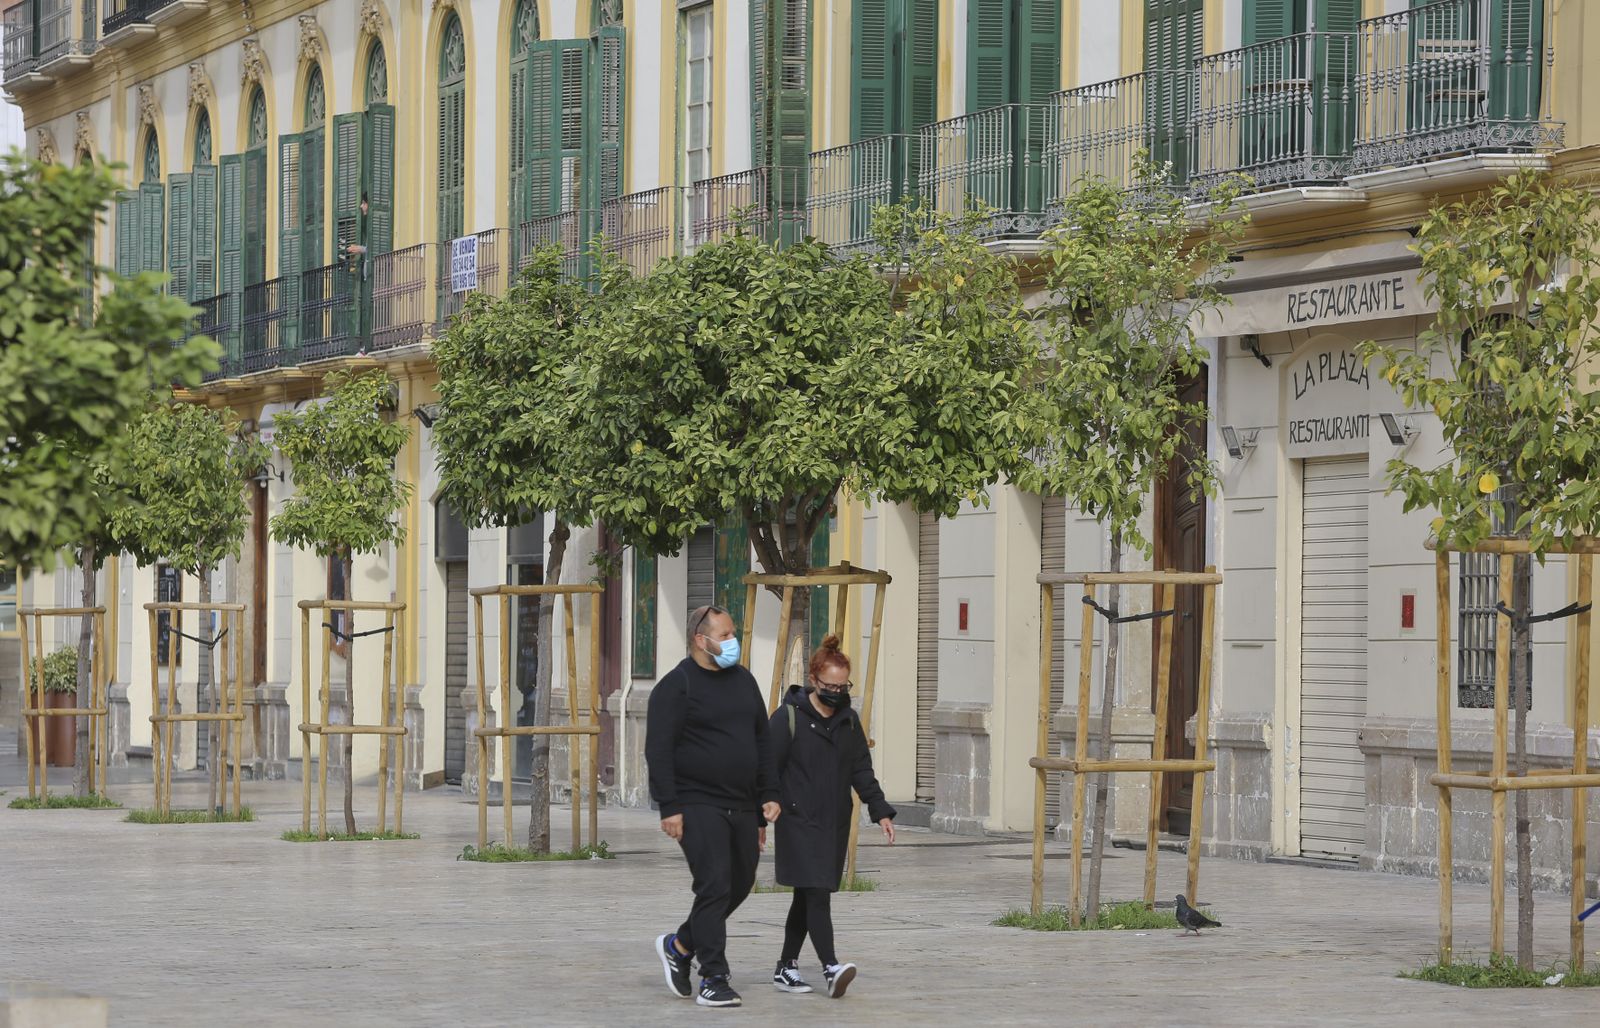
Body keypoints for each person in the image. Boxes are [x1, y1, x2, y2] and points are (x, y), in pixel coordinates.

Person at [647, 604, 782, 1008]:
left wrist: (767, 797)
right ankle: (714, 977)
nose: (732, 641)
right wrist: (669, 806)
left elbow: (762, 741)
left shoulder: (744, 681)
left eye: (732, 633)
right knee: (715, 883)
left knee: (739, 883)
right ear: (700, 640)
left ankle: (681, 944)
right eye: (724, 635)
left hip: (741, 802)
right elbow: (659, 750)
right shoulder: (676, 686)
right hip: (695, 802)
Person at [767, 635, 896, 1000]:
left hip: (833, 823)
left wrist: (880, 810)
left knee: (807, 896)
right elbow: (767, 769)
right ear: (813, 680)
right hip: (796, 821)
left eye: (843, 687)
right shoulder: (788, 718)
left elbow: (861, 770)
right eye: (830, 686)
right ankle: (830, 967)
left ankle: (786, 966)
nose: (837, 693)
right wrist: (767, 806)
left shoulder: (848, 722)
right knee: (817, 894)